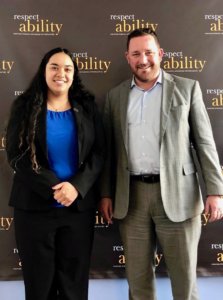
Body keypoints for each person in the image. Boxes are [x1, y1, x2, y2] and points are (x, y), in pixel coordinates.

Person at [99, 28, 223, 300]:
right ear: (127, 58)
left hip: (180, 195)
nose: (143, 60)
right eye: (136, 54)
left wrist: (215, 190)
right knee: (138, 281)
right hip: (131, 199)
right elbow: (108, 153)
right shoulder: (115, 97)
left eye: (149, 52)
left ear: (160, 54)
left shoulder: (187, 88)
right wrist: (106, 193)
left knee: (184, 280)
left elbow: (204, 142)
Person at [6, 47, 104, 300]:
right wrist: (56, 187)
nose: (61, 73)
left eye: (68, 68)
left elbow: (99, 153)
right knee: (40, 287)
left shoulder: (88, 107)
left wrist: (75, 187)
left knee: (74, 285)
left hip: (77, 210)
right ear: (44, 70)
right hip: (34, 209)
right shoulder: (24, 107)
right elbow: (17, 154)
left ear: (74, 75)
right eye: (54, 66)